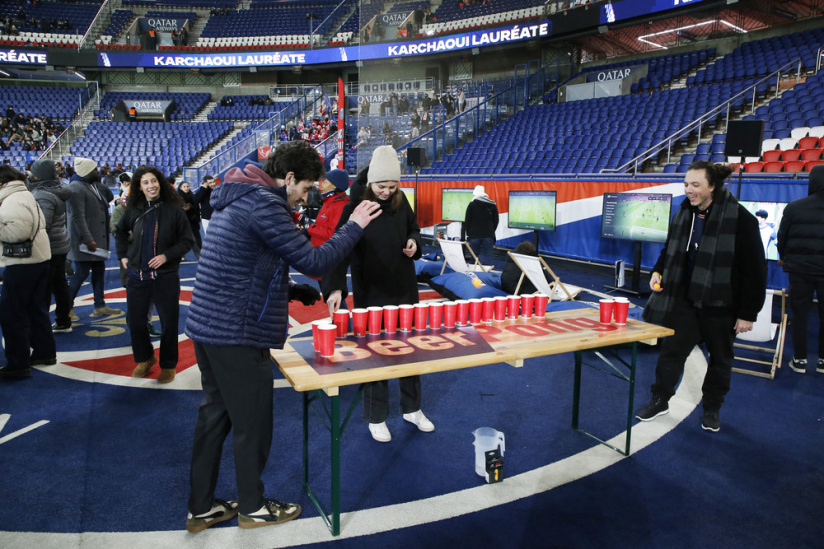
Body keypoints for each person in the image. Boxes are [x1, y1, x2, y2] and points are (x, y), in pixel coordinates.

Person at [183, 141, 381, 532]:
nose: (306, 196)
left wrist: (290, 290)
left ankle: (201, 506)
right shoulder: (264, 203)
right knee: (252, 424)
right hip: (236, 331)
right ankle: (253, 507)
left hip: (208, 326)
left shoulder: (238, 195)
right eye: (306, 188)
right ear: (288, 178)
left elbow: (241, 263)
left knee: (214, 417)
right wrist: (354, 223)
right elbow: (315, 260)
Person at [636, 161, 767, 433]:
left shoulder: (742, 220)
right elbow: (669, 250)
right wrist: (658, 271)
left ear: (712, 186)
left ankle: (712, 407)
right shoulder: (683, 213)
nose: (689, 190)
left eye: (696, 185)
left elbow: (755, 271)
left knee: (720, 360)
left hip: (723, 305)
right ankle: (660, 399)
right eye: (686, 184)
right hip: (684, 300)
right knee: (671, 354)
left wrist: (747, 314)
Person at [323, 146, 431, 443]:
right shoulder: (355, 207)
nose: (387, 192)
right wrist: (334, 287)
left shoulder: (400, 200)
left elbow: (415, 229)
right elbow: (340, 249)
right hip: (371, 291)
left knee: (411, 350)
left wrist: (413, 241)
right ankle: (376, 416)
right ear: (370, 183)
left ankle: (412, 408)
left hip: (404, 288)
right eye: (381, 186)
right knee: (376, 355)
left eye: (392, 186)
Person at [114, 166, 193, 383]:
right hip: (136, 277)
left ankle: (168, 365)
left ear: (160, 183)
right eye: (146, 182)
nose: (151, 185)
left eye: (154, 181)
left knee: (169, 322)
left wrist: (166, 256)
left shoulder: (174, 210)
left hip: (165, 277)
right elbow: (119, 232)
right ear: (139, 186)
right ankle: (145, 358)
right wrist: (122, 255)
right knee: (136, 322)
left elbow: (187, 240)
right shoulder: (133, 209)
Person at [0, 165, 55, 379]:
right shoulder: (25, 194)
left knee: (12, 314)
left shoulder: (12, 200)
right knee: (35, 309)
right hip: (37, 260)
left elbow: (17, 232)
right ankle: (44, 352)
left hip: (22, 263)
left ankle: (18, 363)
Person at [777, 164, 824, 374]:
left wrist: (784, 258)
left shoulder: (795, 207)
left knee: (800, 314)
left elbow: (782, 238)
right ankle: (823, 361)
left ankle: (800, 360)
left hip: (799, 271)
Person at [67, 157, 122, 319]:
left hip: (96, 240)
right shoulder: (76, 188)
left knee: (99, 270)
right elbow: (78, 217)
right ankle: (67, 308)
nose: (98, 172)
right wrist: (87, 239)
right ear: (86, 172)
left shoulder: (90, 186)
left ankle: (100, 305)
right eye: (94, 170)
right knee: (81, 272)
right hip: (86, 242)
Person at [27, 159, 72, 333]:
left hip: (49, 247)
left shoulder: (42, 195)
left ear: (38, 176)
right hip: (60, 243)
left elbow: (42, 224)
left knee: (44, 288)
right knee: (59, 285)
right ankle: (63, 320)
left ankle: (42, 326)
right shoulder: (57, 190)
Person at [307, 169, 350, 248]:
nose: (321, 185)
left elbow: (334, 233)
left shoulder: (340, 205)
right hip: (317, 248)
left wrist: (310, 227)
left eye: (325, 182)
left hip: (325, 252)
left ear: (334, 185)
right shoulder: (328, 201)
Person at [462, 185, 498, 266]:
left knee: (474, 257)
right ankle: (486, 275)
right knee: (487, 257)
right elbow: (496, 221)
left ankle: (474, 275)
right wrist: (491, 230)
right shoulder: (492, 205)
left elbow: (467, 221)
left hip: (474, 236)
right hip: (488, 236)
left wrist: (469, 234)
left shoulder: (471, 205)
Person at [177, 181, 201, 259]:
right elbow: (175, 210)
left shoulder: (192, 196)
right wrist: (182, 209)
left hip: (193, 220)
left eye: (187, 186)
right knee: (184, 239)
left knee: (196, 238)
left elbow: (197, 208)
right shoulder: (177, 198)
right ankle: (182, 255)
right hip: (182, 222)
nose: (186, 188)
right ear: (180, 188)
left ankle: (199, 254)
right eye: (184, 186)